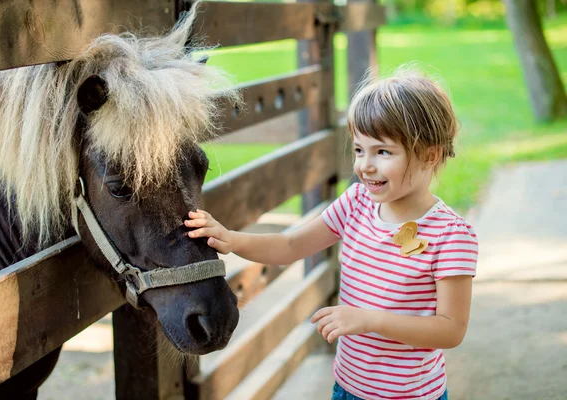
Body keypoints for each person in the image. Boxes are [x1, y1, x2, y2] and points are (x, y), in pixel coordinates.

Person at [185, 66, 478, 400]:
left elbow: (450, 329)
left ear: (430, 154)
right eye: (358, 149)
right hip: (348, 389)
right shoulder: (357, 204)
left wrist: (369, 320)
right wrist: (233, 239)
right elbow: (291, 245)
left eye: (382, 151)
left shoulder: (450, 236)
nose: (365, 165)